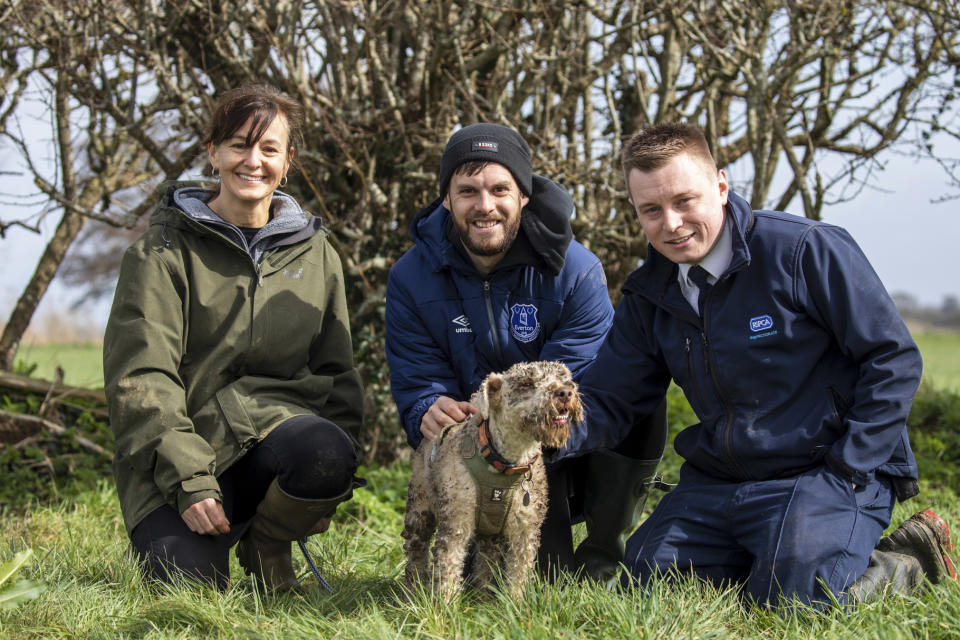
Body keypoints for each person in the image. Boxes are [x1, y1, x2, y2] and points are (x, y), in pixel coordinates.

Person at [558, 122, 955, 607]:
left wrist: (849, 465)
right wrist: (534, 431)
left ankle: (905, 562)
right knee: (647, 587)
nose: (672, 223)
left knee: (797, 599)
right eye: (651, 210)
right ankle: (770, 554)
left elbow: (892, 358)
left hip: (823, 471)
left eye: (685, 201)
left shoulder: (805, 249)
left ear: (721, 186)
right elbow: (610, 399)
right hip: (721, 480)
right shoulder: (649, 294)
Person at [103, 84, 365, 592]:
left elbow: (338, 372)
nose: (253, 161)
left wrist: (331, 485)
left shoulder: (317, 255)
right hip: (178, 459)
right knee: (189, 590)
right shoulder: (159, 253)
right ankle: (202, 536)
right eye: (239, 145)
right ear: (214, 153)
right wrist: (188, 480)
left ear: (287, 162)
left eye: (269, 149)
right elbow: (141, 377)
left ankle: (266, 540)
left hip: (274, 438)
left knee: (325, 451)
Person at [384, 122, 668, 583]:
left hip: (560, 447)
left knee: (646, 409)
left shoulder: (576, 270)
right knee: (533, 578)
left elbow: (575, 386)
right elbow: (418, 375)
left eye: (500, 189)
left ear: (524, 196)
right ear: (446, 199)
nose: (484, 205)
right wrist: (424, 407)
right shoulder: (409, 278)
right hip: (477, 454)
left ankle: (603, 556)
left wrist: (525, 440)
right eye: (467, 191)